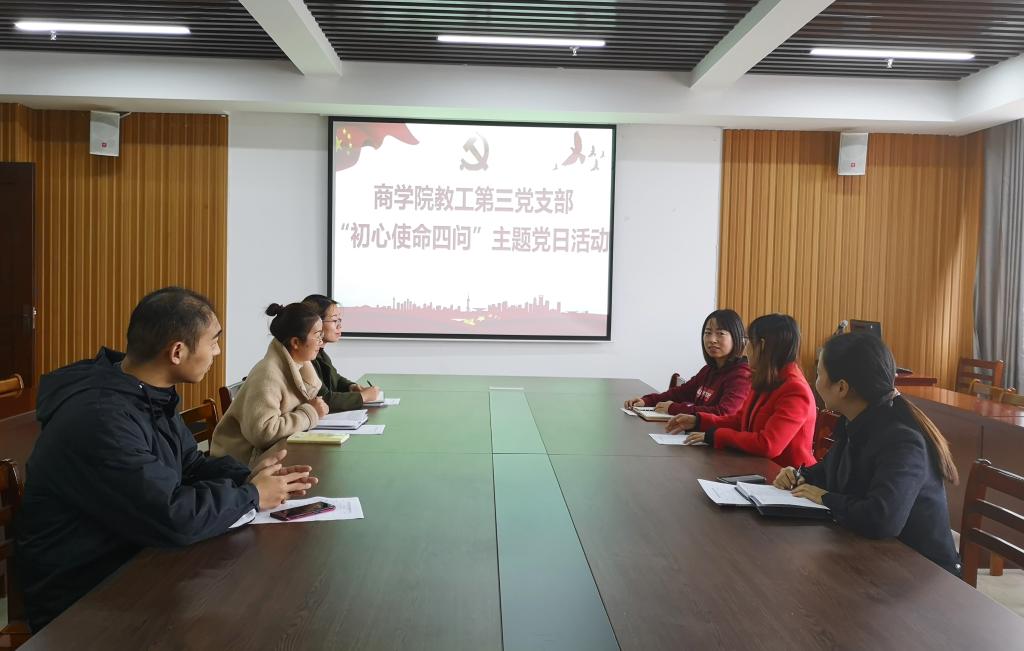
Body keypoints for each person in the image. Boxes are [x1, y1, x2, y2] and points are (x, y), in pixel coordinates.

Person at [15, 287, 316, 632]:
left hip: (136, 561)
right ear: (177, 352)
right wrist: (252, 495)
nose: (218, 351)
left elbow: (191, 466)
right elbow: (172, 515)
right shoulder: (101, 418)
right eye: (214, 341)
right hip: (83, 598)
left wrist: (248, 476)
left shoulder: (146, 392)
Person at [774, 332, 961, 575]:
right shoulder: (857, 420)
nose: (814, 381)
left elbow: (882, 518)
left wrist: (825, 498)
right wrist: (799, 476)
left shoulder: (902, 440)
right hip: (874, 557)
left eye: (819, 374)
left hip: (923, 574)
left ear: (842, 387)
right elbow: (830, 470)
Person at [666, 313, 816, 469]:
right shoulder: (765, 377)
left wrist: (715, 435)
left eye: (749, 341)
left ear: (762, 346)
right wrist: (698, 421)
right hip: (754, 466)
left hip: (784, 477)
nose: (746, 348)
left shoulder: (795, 389)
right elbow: (740, 421)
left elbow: (768, 445)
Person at [211, 302, 329, 465]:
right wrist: (310, 413)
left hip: (270, 454)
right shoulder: (268, 375)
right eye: (317, 335)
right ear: (295, 342)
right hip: (241, 465)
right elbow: (263, 433)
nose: (321, 342)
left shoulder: (297, 366)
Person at [623, 309, 751, 416]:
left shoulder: (741, 375)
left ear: (736, 337)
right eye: (707, 333)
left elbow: (725, 413)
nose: (712, 339)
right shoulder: (708, 370)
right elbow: (680, 393)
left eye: (720, 333)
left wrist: (675, 408)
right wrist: (646, 401)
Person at [303, 294, 380, 411]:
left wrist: (351, 386)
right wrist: (362, 397)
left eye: (340, 320)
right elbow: (323, 399)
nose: (339, 326)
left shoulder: (320, 353)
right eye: (334, 320)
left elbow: (335, 379)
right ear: (315, 322)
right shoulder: (305, 357)